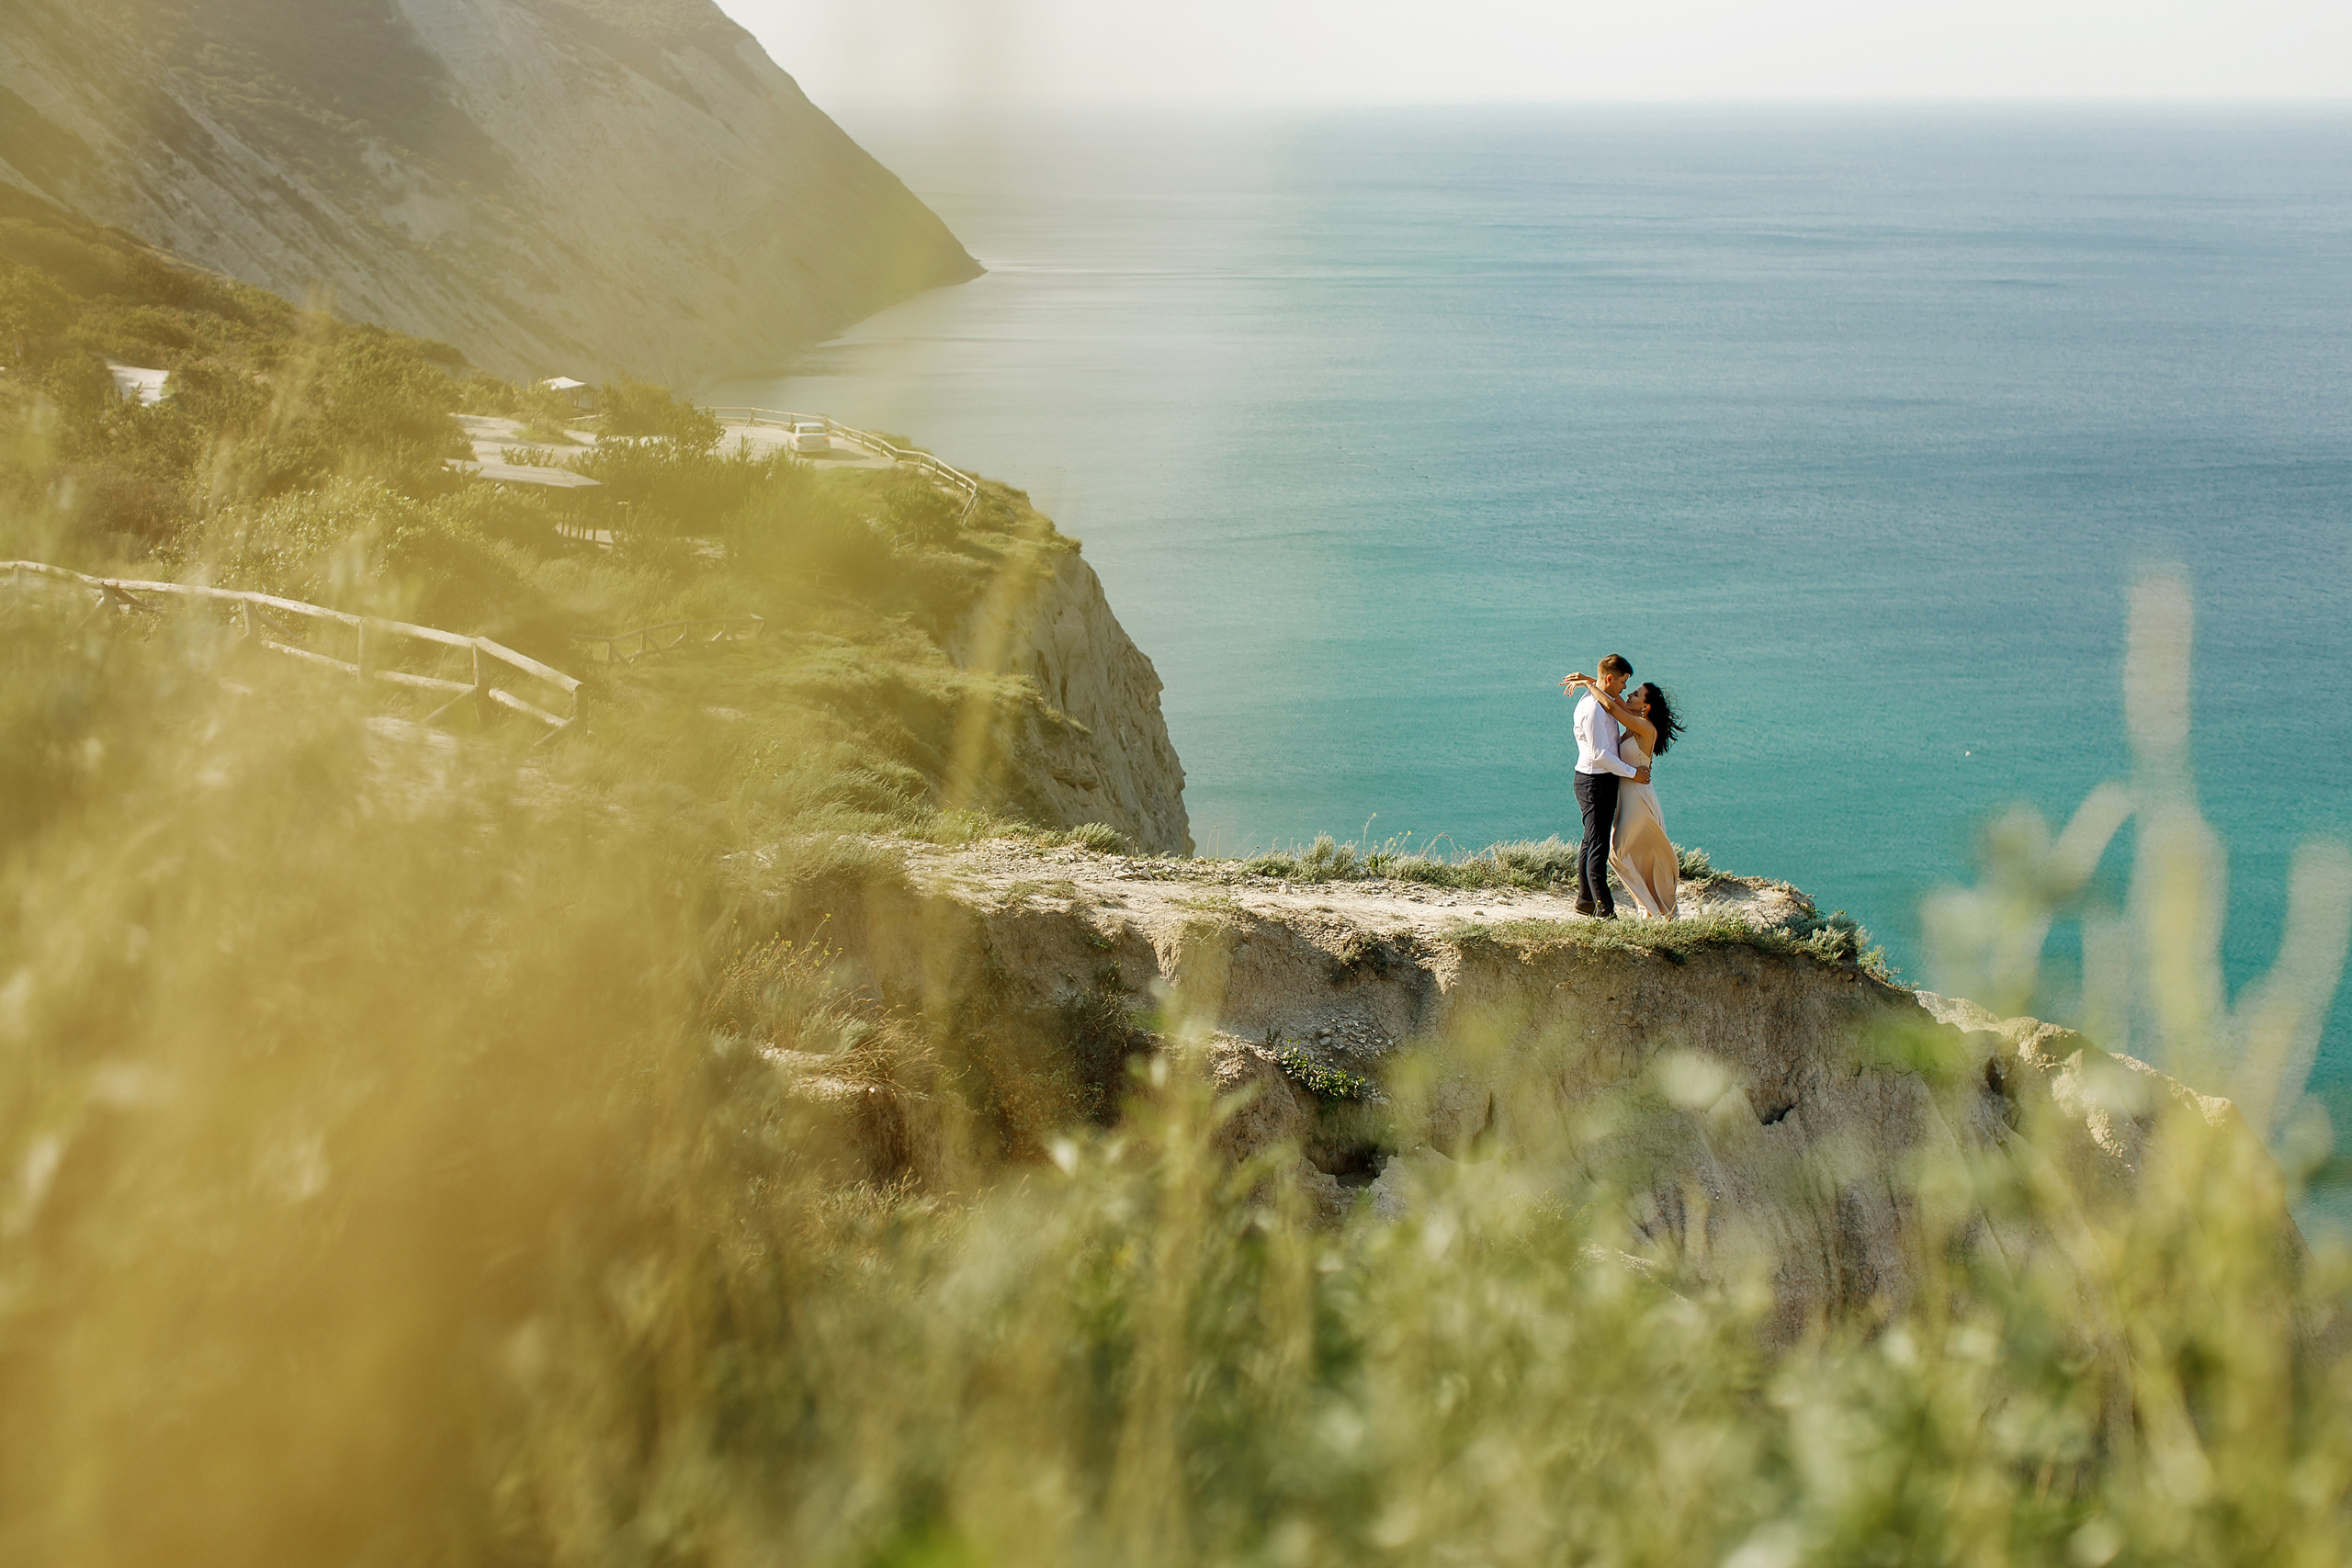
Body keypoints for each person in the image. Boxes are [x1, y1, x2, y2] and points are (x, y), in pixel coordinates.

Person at [1569, 676, 1684, 919]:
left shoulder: (1645, 727)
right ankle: (1649, 909)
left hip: (1638, 799)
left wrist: (1590, 686)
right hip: (1628, 796)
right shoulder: (1635, 722)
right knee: (1622, 853)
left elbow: (1611, 706)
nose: (1629, 695)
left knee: (1618, 853)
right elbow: (1614, 700)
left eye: (1635, 694)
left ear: (1645, 706)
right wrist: (1596, 681)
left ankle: (1652, 908)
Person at [1559, 654, 1642, 918]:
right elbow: (1600, 754)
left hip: (1596, 780)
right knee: (1598, 847)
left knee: (1590, 842)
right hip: (1595, 781)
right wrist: (1632, 773)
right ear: (1610, 678)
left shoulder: (1600, 700)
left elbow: (1621, 707)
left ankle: (1585, 901)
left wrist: (1588, 681)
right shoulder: (1594, 709)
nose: (1625, 688)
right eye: (1623, 682)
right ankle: (1606, 912)